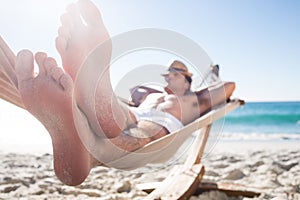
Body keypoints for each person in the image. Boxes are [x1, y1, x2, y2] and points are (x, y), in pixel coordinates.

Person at [14, 0, 235, 186]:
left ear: (187, 80)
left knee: (140, 132)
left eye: (175, 73)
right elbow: (131, 100)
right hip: (132, 112)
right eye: (167, 74)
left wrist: (208, 87)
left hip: (159, 124)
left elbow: (228, 87)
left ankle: (88, 148)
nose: (169, 76)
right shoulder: (153, 93)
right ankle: (96, 95)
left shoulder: (194, 99)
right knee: (117, 112)